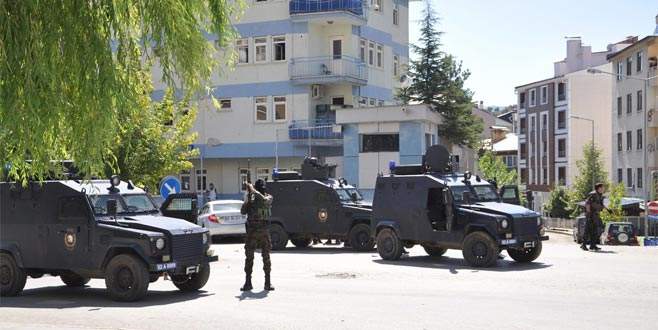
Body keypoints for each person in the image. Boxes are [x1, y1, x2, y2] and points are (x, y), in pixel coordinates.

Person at [240, 179, 274, 291]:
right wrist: (248, 197)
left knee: (266, 258)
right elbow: (243, 211)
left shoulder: (268, 197)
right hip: (253, 232)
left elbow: (264, 200)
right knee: (249, 258)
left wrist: (252, 189)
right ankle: (248, 282)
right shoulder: (252, 199)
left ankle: (267, 283)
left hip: (262, 232)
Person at [582, 183, 605, 251]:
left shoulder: (600, 195)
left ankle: (593, 245)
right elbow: (588, 204)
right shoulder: (593, 194)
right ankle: (583, 245)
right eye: (602, 188)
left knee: (595, 231)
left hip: (596, 215)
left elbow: (600, 205)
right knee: (587, 230)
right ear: (599, 188)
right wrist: (588, 214)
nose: (603, 189)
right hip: (591, 215)